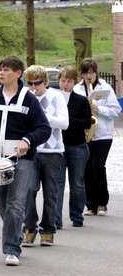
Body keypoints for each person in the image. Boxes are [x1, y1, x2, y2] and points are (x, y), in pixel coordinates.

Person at [0, 56, 50, 266]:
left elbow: (43, 128)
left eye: (6, 69)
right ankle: (16, 233)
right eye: (1, 69)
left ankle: (11, 249)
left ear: (18, 73)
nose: (1, 73)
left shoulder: (29, 98)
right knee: (1, 204)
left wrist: (28, 140)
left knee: (15, 204)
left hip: (22, 159)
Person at [21, 65, 68, 247]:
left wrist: (44, 118)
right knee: (29, 191)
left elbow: (64, 123)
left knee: (51, 193)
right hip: (31, 151)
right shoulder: (25, 97)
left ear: (46, 82)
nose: (34, 87)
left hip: (53, 151)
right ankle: (29, 228)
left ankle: (48, 230)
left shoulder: (56, 96)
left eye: (38, 83)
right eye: (30, 83)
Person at [74, 58, 121, 216]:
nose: (89, 76)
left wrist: (98, 109)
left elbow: (116, 111)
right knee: (87, 168)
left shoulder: (106, 88)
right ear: (82, 74)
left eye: (92, 72)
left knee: (98, 166)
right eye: (86, 73)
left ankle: (102, 203)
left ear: (96, 72)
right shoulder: (77, 89)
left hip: (103, 135)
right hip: (85, 134)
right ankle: (90, 205)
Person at [57, 66, 92, 228]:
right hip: (58, 147)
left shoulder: (81, 100)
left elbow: (87, 122)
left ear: (74, 82)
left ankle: (77, 216)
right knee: (57, 184)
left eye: (69, 81)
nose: (66, 84)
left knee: (77, 183)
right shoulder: (54, 98)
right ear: (59, 81)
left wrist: (67, 121)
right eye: (63, 81)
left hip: (77, 145)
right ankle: (55, 219)